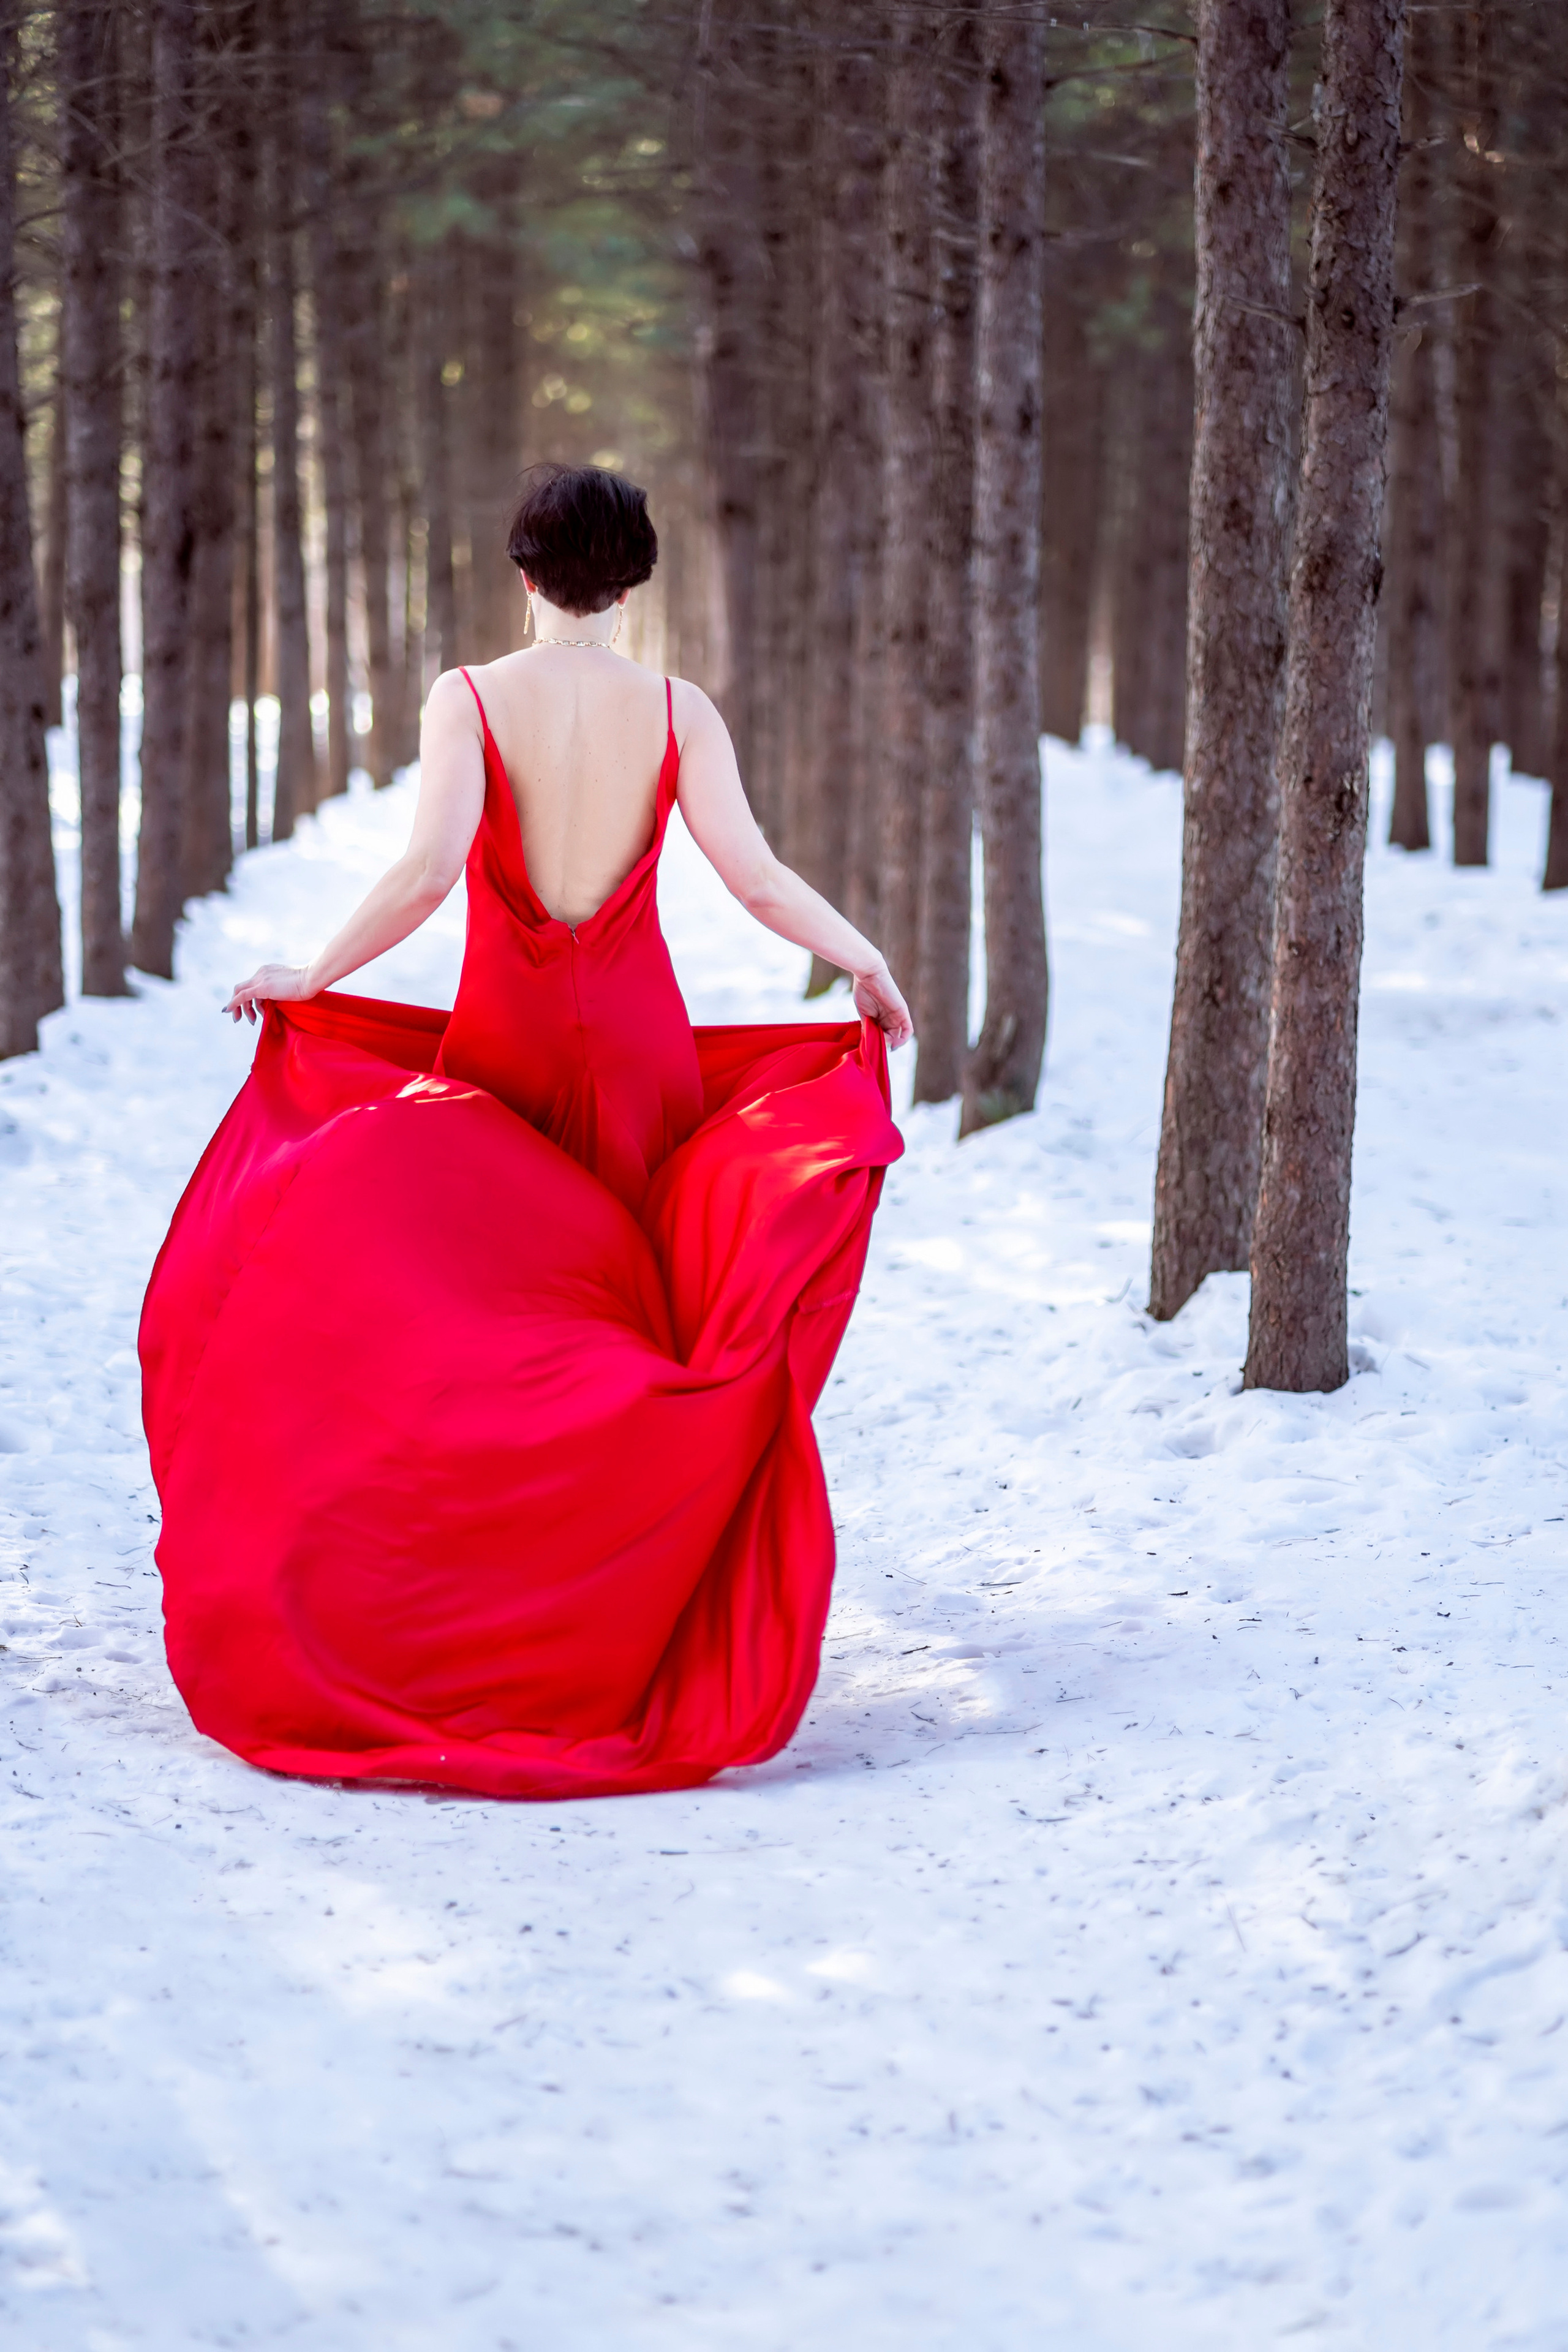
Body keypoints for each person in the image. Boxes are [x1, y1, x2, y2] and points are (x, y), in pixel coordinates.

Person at [140, 462, 910, 1800]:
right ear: (635, 578)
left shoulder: (470, 697)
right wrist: (864, 959)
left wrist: (315, 974)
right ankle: (614, 1639)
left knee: (484, 1341)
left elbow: (429, 871)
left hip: (503, 1041)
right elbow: (754, 877)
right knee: (626, 1341)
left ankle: (465, 1629)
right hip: (640, 1049)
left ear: (522, 570)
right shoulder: (677, 709)